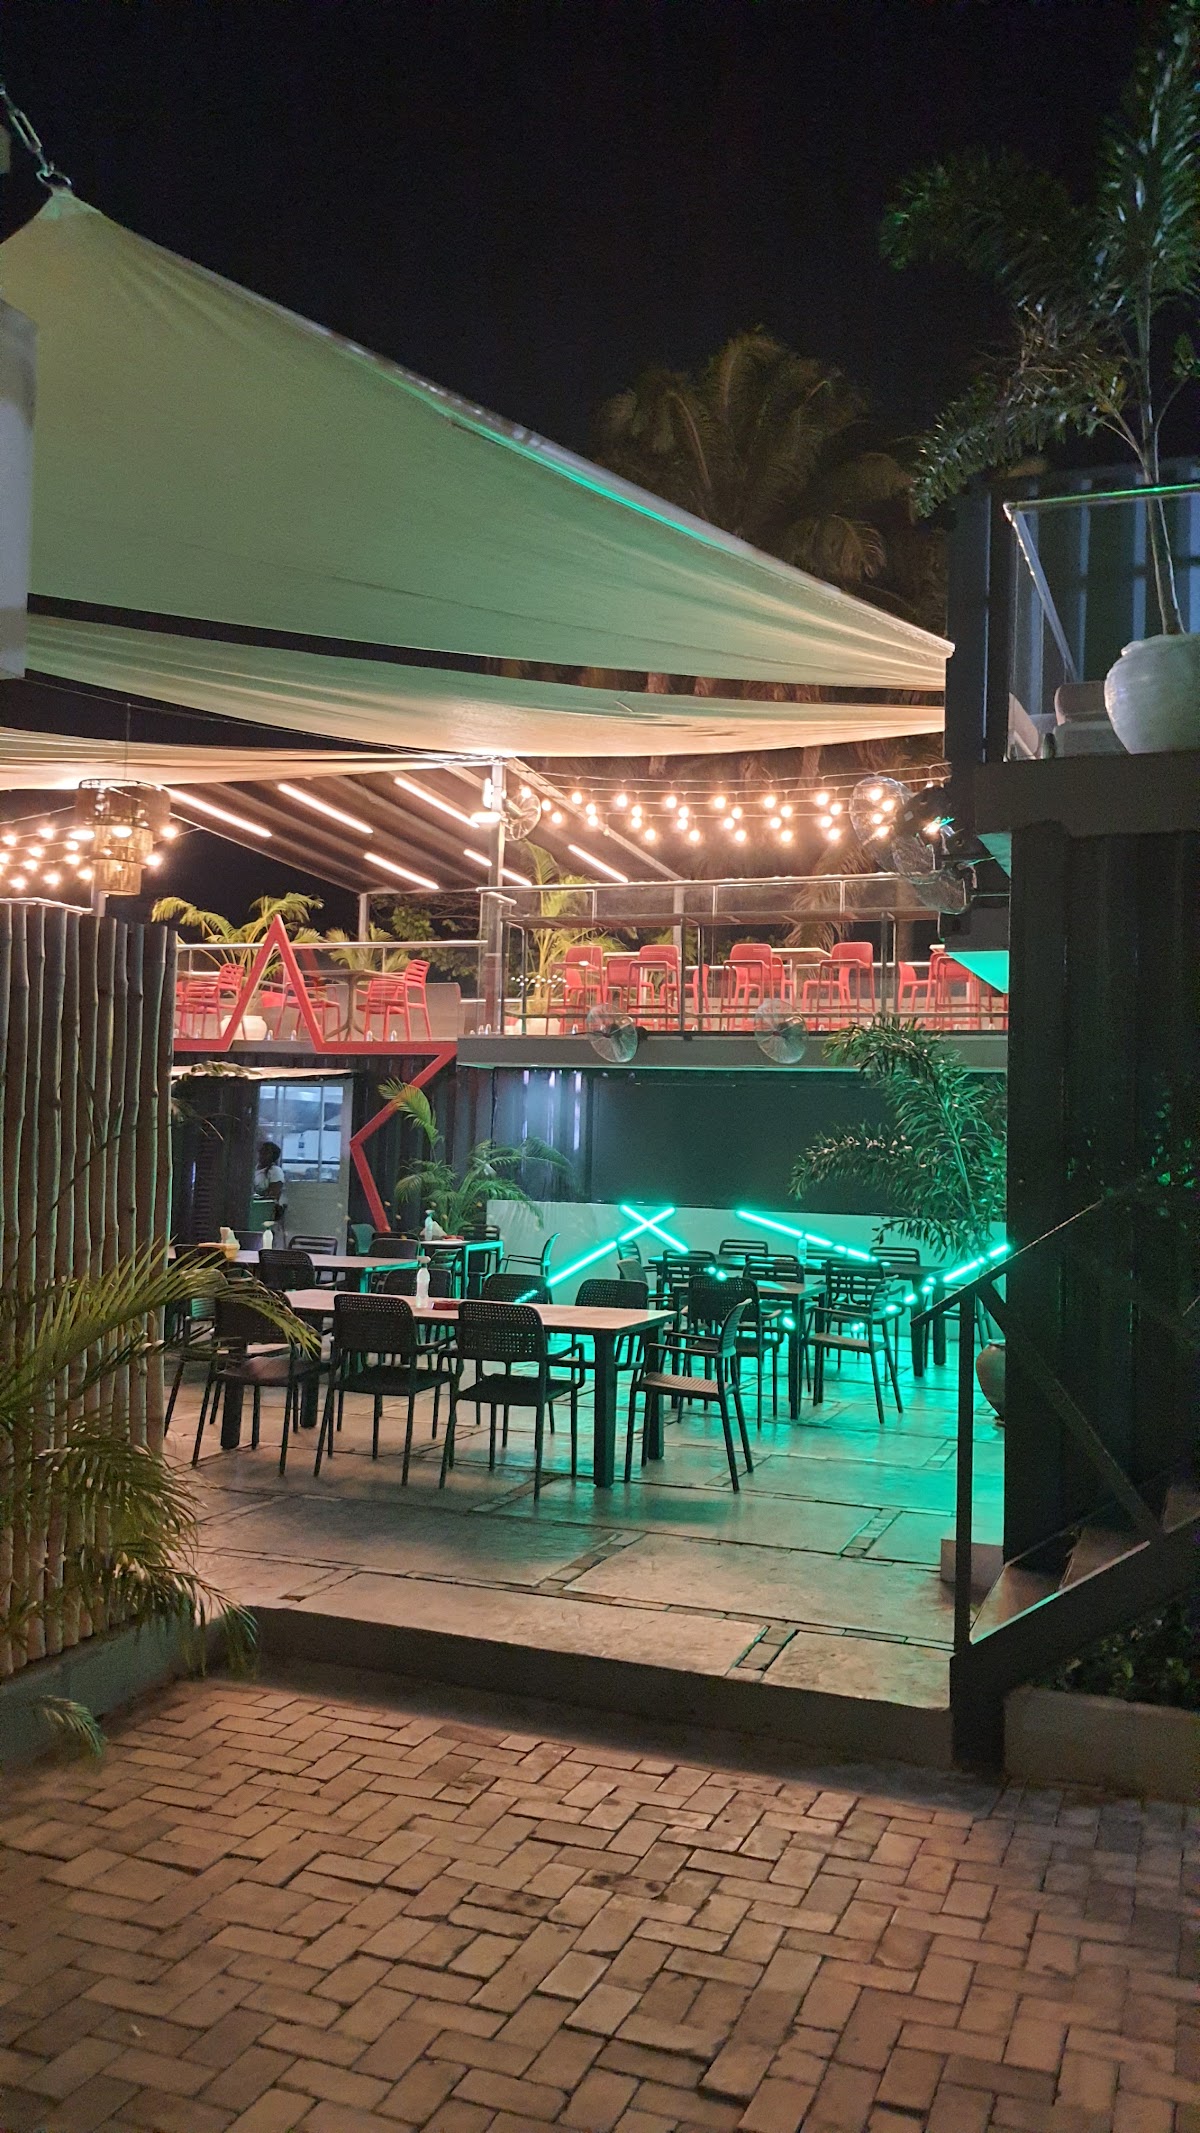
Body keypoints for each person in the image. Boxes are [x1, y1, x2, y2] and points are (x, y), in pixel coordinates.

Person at [253, 1141, 287, 1226]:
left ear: (273, 1156)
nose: (262, 1154)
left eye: (266, 1152)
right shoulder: (253, 1169)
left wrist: (259, 1195)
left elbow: (273, 1195)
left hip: (266, 1211)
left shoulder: (275, 1171)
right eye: (261, 1151)